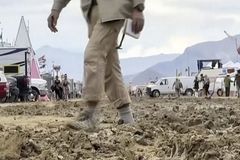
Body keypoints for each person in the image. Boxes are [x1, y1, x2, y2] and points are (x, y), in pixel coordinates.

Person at [48, 0, 145, 131]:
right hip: (94, 13)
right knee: (109, 65)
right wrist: (56, 9)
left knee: (93, 54)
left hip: (114, 8)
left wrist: (138, 7)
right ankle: (127, 118)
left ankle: (91, 115)